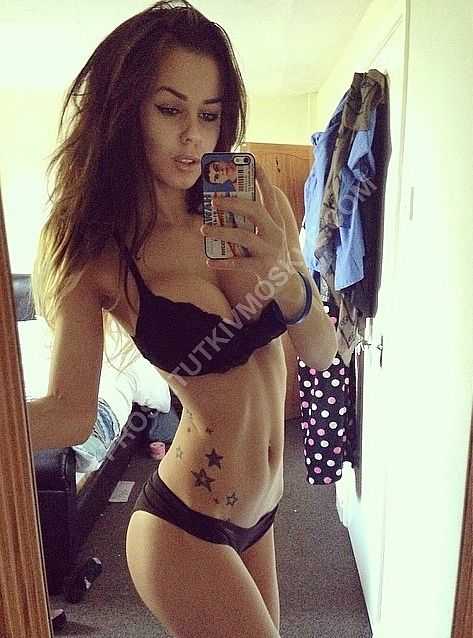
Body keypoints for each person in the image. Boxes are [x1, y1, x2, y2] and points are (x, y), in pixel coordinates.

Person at [27, 1, 337, 636]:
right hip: (183, 525)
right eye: (170, 110)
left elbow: (322, 351)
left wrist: (287, 276)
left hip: (264, 512)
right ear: (125, 112)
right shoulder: (103, 255)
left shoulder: (255, 201)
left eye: (210, 114)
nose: (193, 135)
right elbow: (69, 413)